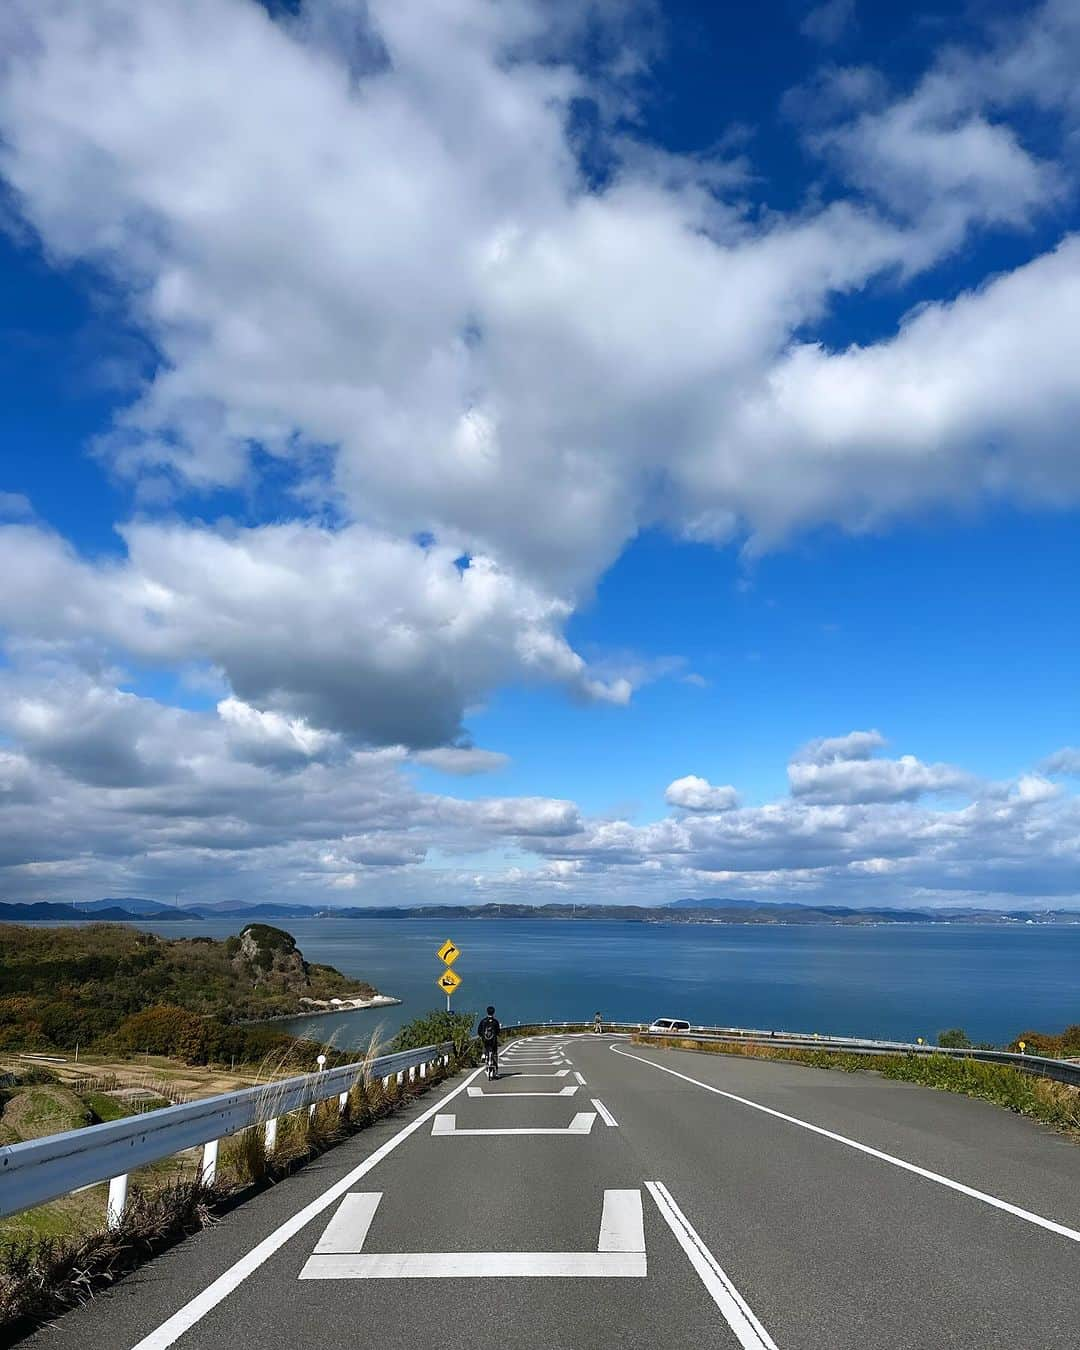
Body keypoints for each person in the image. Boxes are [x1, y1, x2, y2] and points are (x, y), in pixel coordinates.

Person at [477, 1005, 500, 1078]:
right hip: (493, 1041)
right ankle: (495, 1070)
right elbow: (498, 1032)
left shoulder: (483, 1021)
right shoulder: (495, 1022)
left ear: (487, 1012)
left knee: (486, 1048)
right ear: (493, 1012)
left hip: (485, 1040)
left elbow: (479, 1031)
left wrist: (482, 1036)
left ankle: (484, 1054)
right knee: (495, 1053)